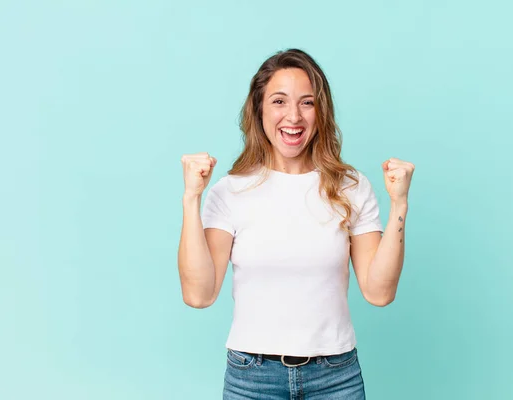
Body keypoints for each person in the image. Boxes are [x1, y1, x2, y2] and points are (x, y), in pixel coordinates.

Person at [178, 48, 415, 399]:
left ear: (322, 112)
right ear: (258, 110)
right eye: (279, 101)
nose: (294, 116)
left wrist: (399, 204)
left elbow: (379, 293)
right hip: (252, 379)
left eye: (307, 102)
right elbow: (199, 294)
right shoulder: (229, 192)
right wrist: (191, 198)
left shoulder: (351, 187)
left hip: (336, 378)